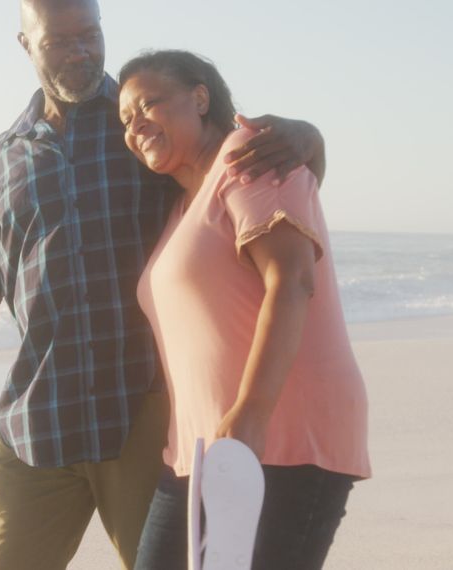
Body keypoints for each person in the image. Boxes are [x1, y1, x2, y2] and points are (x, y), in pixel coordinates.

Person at [0, 0, 327, 567]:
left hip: (145, 414)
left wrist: (308, 136)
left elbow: (240, 171)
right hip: (40, 422)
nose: (80, 51)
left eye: (90, 34)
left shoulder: (148, 123)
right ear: (26, 44)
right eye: (60, 41)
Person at [117, 50, 370, 570]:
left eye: (148, 104)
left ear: (201, 97)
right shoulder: (182, 207)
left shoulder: (248, 156)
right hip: (201, 450)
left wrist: (251, 414)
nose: (135, 124)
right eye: (125, 119)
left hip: (281, 437)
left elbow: (293, 279)